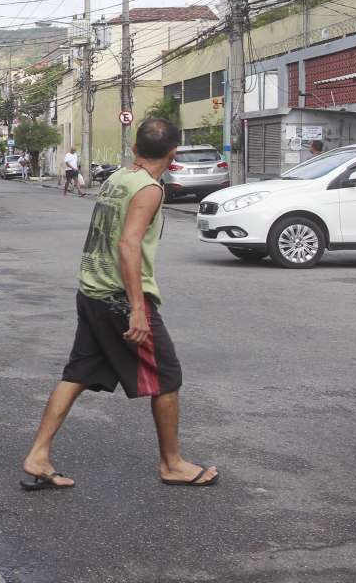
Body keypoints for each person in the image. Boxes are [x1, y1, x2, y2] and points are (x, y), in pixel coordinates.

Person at [20, 118, 219, 490]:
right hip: (117, 299)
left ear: (135, 148)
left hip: (91, 291)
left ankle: (38, 454)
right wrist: (138, 308)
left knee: (78, 373)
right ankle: (172, 463)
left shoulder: (118, 178)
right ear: (173, 153)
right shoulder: (149, 189)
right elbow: (128, 245)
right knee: (167, 377)